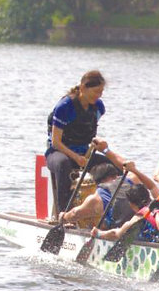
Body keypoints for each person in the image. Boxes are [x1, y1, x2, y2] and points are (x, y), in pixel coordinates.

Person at [46, 70, 113, 213]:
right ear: (83, 88)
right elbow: (56, 142)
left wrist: (96, 144)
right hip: (58, 153)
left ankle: (108, 212)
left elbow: (86, 130)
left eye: (101, 92)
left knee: (112, 168)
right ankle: (63, 213)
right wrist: (76, 157)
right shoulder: (65, 107)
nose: (99, 96)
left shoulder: (98, 107)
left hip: (84, 155)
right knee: (63, 164)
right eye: (96, 91)